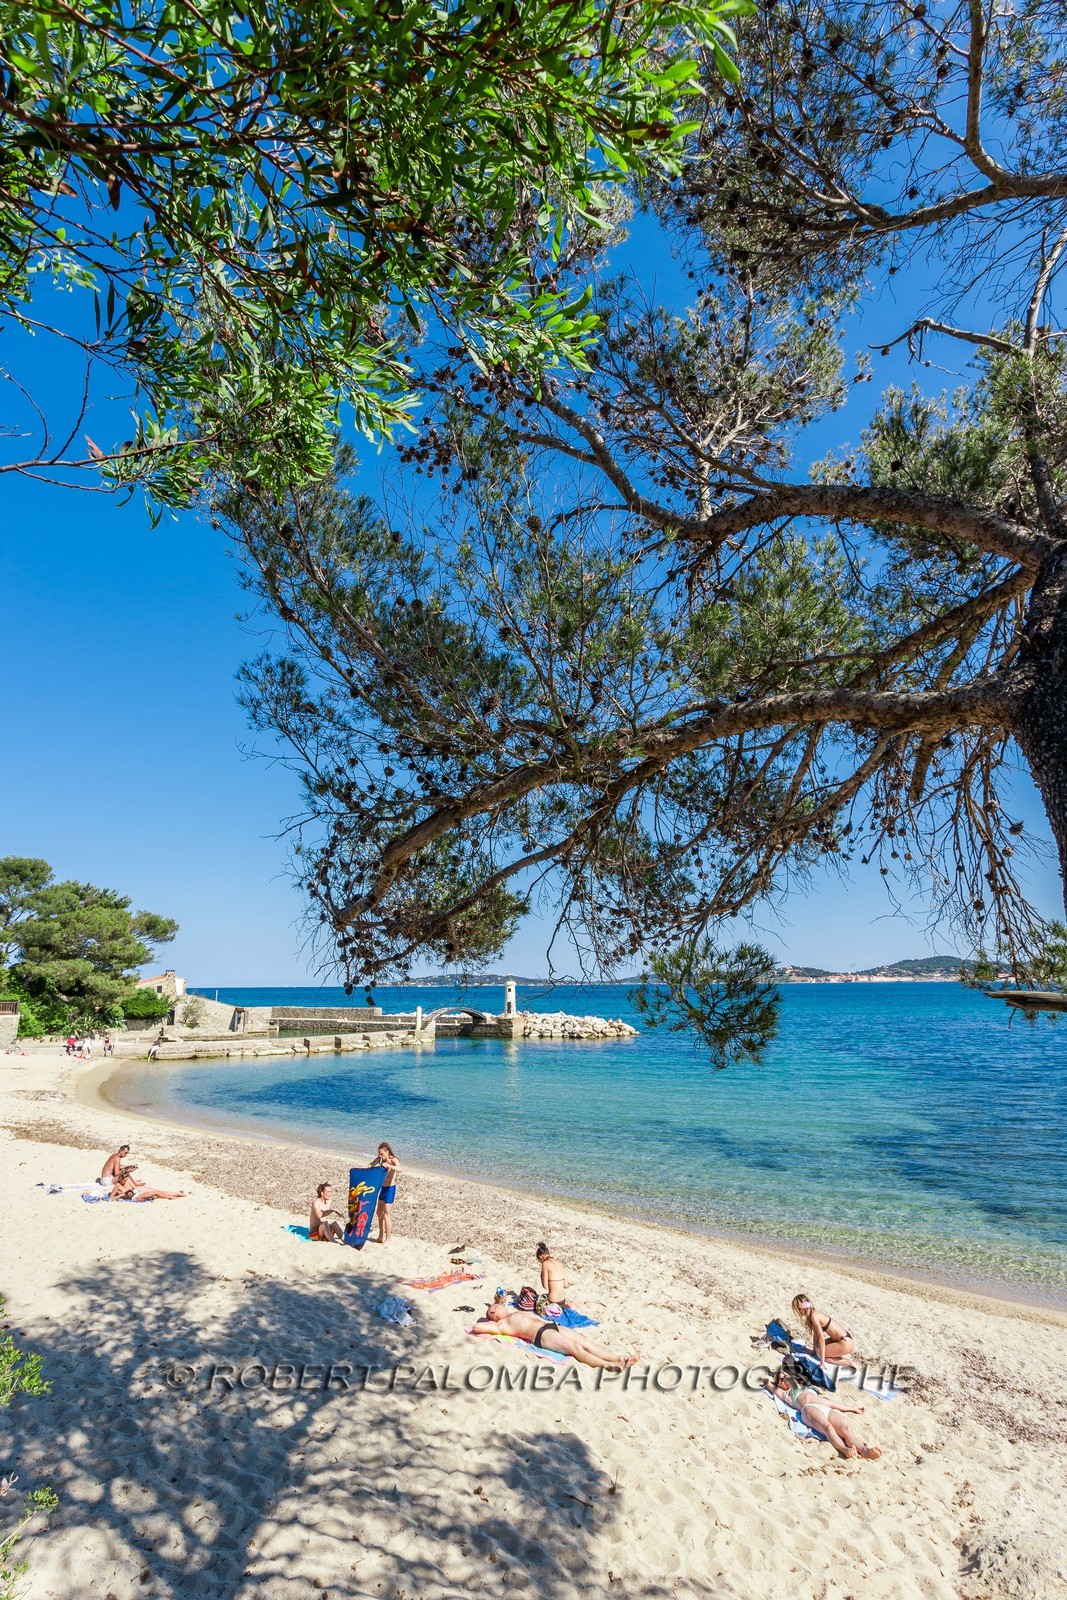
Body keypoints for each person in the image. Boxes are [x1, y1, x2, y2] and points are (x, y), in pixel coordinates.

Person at [474, 1304, 639, 1371]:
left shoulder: (513, 1313)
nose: (500, 1304)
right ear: (494, 1313)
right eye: (496, 1306)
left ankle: (619, 1358)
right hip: (541, 1334)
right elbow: (477, 1328)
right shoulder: (501, 1324)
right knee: (576, 1348)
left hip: (551, 1325)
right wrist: (490, 1323)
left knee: (584, 1341)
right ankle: (607, 1365)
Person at [766, 1363, 881, 1460]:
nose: (784, 1378)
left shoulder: (803, 1386)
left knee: (846, 1428)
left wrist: (852, 1408)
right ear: (780, 1386)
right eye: (781, 1380)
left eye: (785, 1375)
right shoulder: (786, 1394)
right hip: (808, 1408)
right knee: (828, 1427)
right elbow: (769, 1384)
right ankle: (844, 1449)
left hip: (823, 1406)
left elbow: (832, 1404)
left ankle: (865, 1451)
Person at [791, 1293, 857, 1368]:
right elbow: (816, 1335)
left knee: (821, 1355)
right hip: (844, 1340)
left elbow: (821, 1338)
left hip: (845, 1343)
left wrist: (822, 1362)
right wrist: (813, 1351)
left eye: (798, 1309)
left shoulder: (814, 1316)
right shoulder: (814, 1313)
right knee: (818, 1349)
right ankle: (842, 1356)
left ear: (802, 1308)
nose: (798, 1312)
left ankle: (848, 1362)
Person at [371, 1141, 401, 1245]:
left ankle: (387, 1239)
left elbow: (400, 1169)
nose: (380, 1156)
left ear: (387, 1151)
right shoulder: (380, 1159)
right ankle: (380, 1236)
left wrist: (389, 1165)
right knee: (379, 1213)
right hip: (383, 1188)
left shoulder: (393, 1160)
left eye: (382, 1154)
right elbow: (371, 1165)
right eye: (379, 1154)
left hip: (390, 1189)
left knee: (386, 1215)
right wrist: (358, 1169)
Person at [109, 1170, 186, 1202]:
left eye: (126, 1179)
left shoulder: (128, 1180)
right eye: (124, 1180)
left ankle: (178, 1194)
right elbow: (111, 1197)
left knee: (159, 1191)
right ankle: (171, 1197)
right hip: (135, 1197)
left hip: (137, 1192)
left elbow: (135, 1188)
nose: (125, 1181)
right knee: (155, 1193)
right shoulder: (117, 1186)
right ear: (121, 1178)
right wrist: (123, 1195)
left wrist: (133, 1190)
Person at [535, 1242, 568, 1307]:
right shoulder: (560, 1263)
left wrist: (542, 1274)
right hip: (562, 1301)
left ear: (541, 1257)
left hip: (553, 1301)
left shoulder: (545, 1264)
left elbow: (545, 1286)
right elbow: (566, 1285)